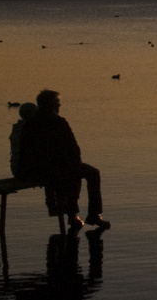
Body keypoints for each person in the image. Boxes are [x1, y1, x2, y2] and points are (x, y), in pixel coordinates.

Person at [16, 89, 110, 232]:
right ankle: (93, 214)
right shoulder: (58, 122)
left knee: (73, 171)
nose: (59, 106)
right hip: (52, 169)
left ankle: (73, 216)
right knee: (91, 173)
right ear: (51, 105)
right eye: (57, 102)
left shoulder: (30, 124)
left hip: (36, 169)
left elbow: (25, 151)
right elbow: (73, 147)